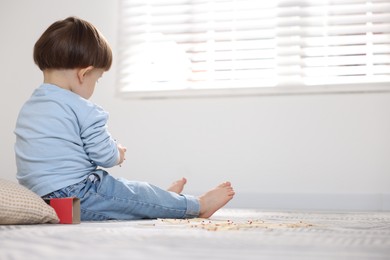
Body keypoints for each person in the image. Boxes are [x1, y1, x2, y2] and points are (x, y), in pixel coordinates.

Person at [14, 16, 234, 221]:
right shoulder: (83, 108)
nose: (94, 85)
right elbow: (105, 157)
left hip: (42, 200)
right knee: (131, 192)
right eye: (97, 79)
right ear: (84, 74)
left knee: (122, 202)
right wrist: (117, 153)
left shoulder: (29, 107)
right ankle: (197, 205)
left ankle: (164, 202)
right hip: (76, 194)